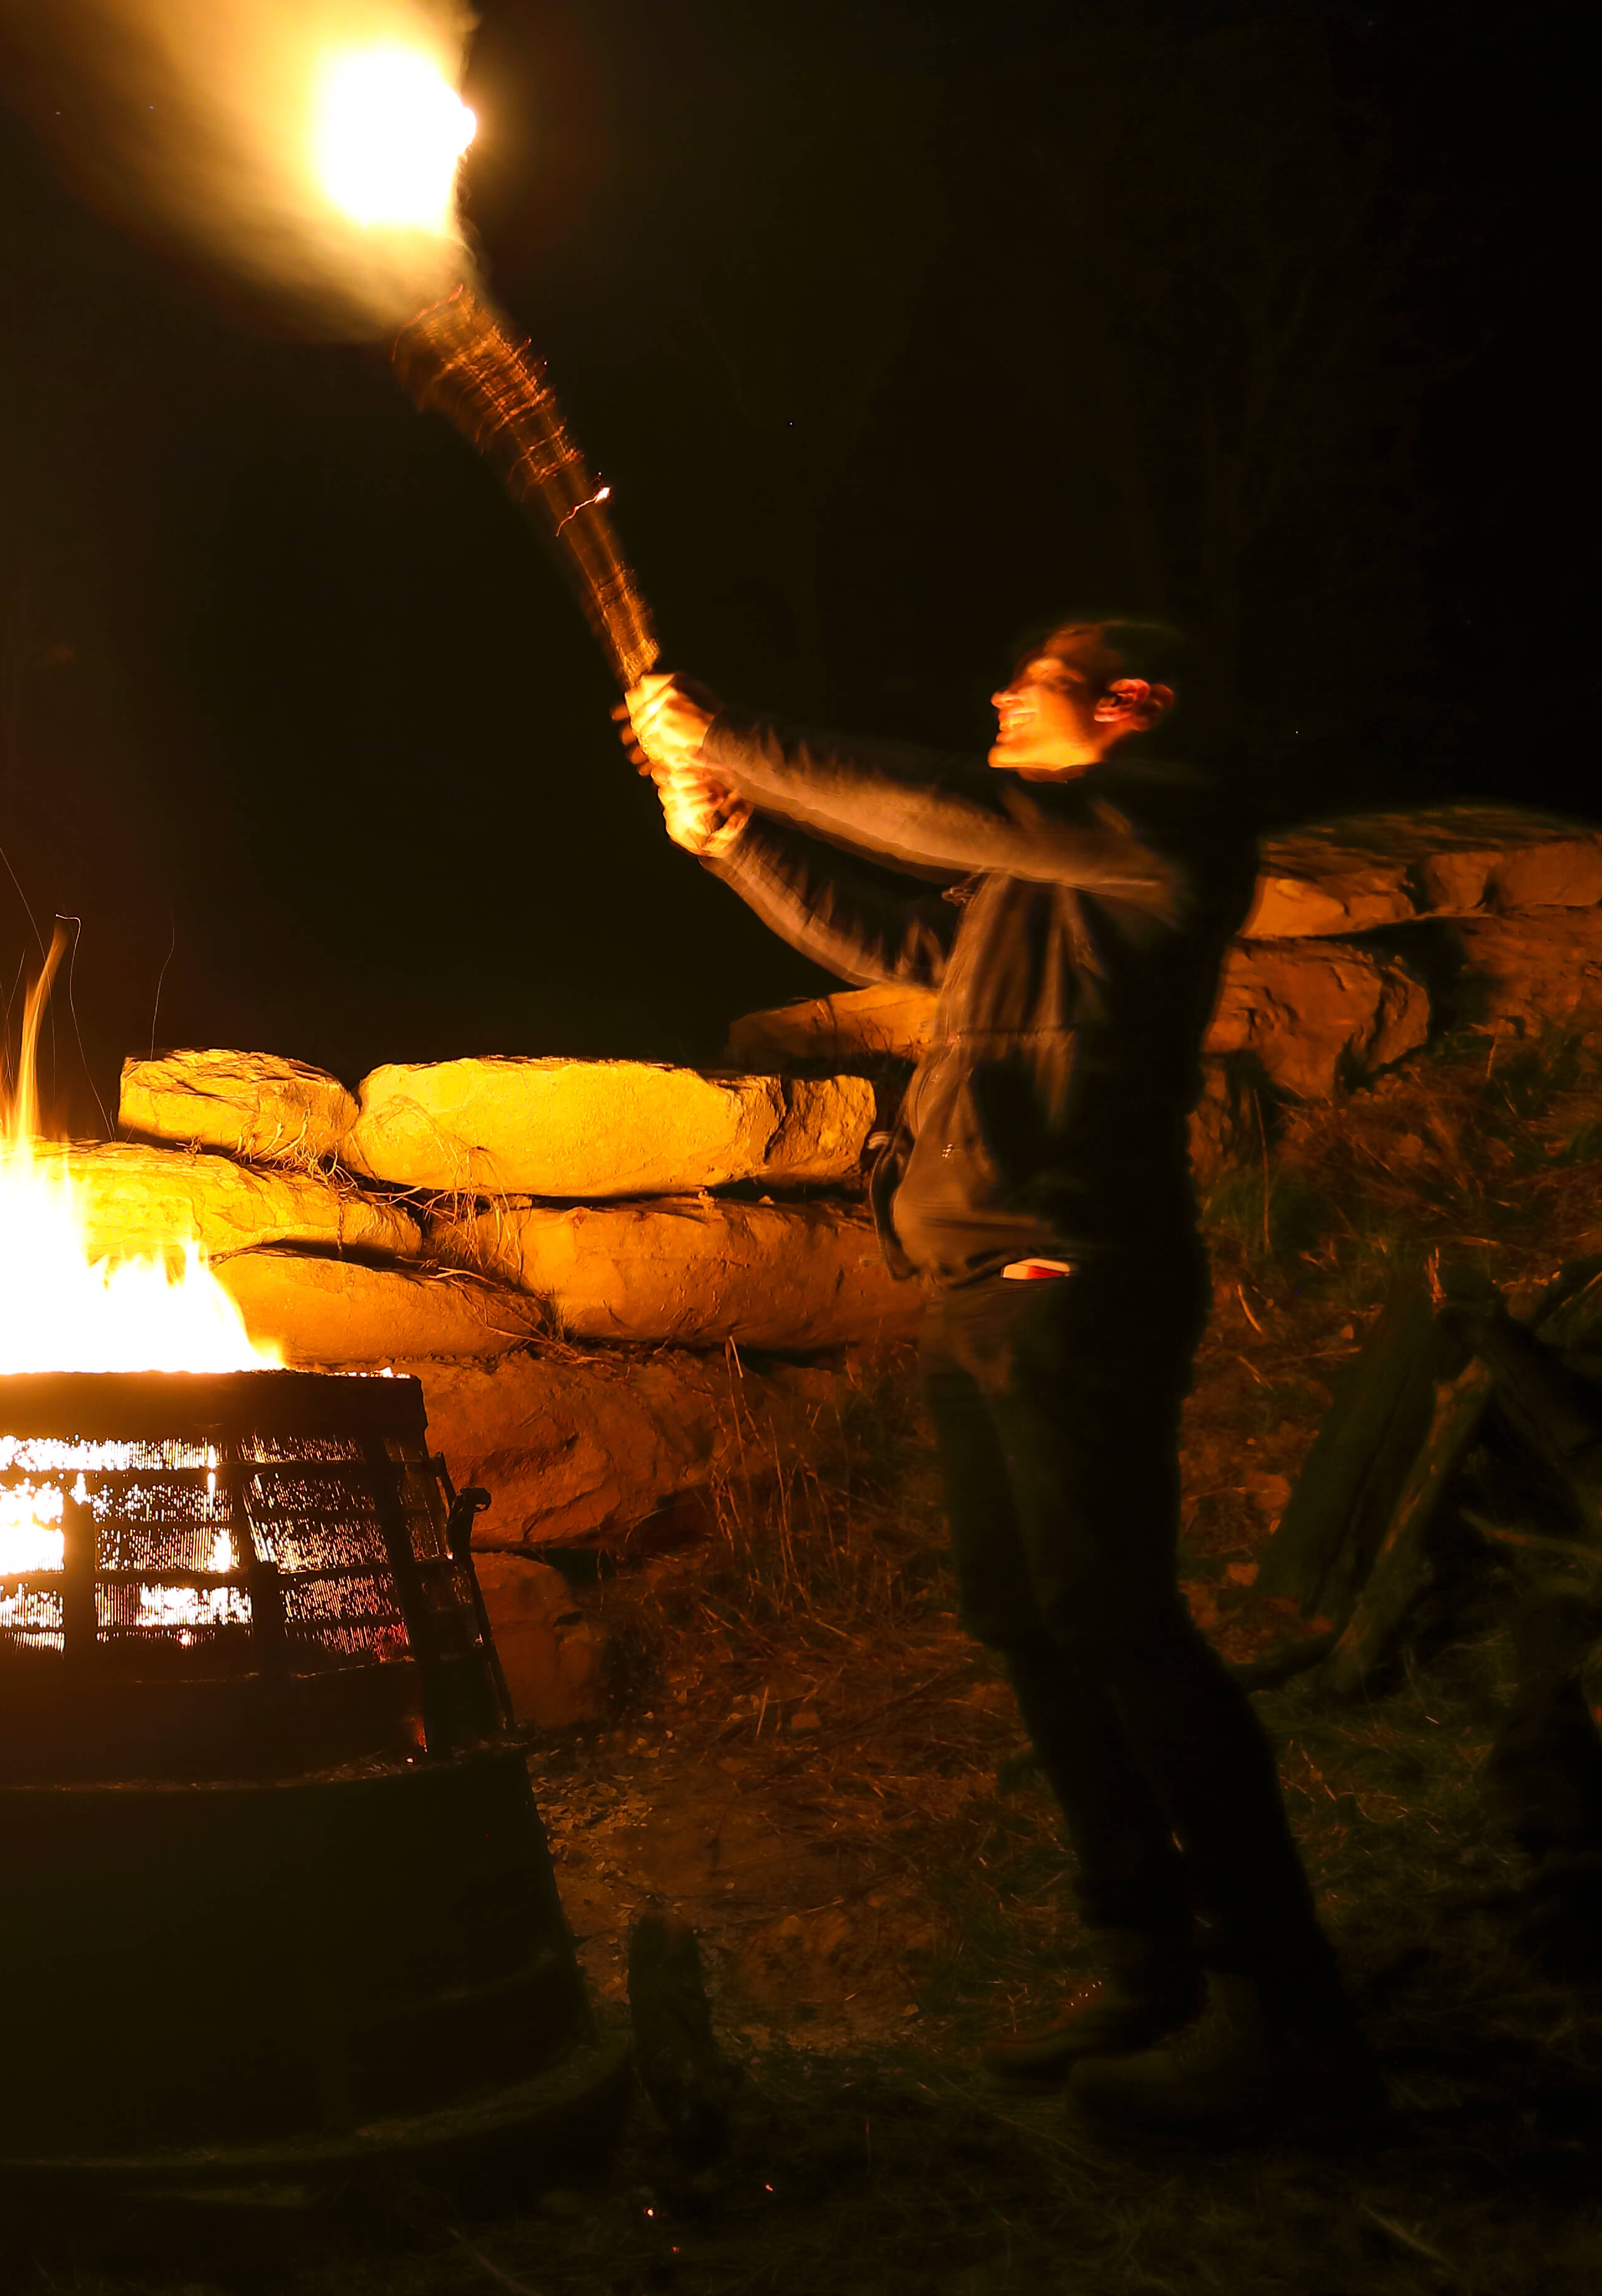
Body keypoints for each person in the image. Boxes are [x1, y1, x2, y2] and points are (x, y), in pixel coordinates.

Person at [621, 625, 1379, 2138]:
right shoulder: (1042, 879)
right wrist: (738, 836)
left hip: (1070, 1271)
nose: (990, 697)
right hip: (974, 1280)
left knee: (1120, 1621)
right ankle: (1147, 1969)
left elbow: (937, 816)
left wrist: (737, 739)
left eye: (1025, 680)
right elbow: (908, 945)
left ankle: (1284, 2015)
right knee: (1029, 1618)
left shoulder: (1165, 815)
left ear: (1129, 704)